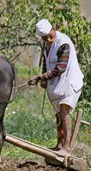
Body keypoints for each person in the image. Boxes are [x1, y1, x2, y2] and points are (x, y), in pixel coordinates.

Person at [28, 19, 84, 155]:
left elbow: (60, 68)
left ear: (54, 29)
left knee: (64, 113)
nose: (48, 38)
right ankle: (59, 144)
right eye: (44, 37)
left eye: (49, 35)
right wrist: (44, 79)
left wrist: (41, 77)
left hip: (70, 81)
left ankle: (67, 147)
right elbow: (46, 61)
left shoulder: (63, 43)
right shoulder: (44, 42)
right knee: (58, 115)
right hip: (56, 84)